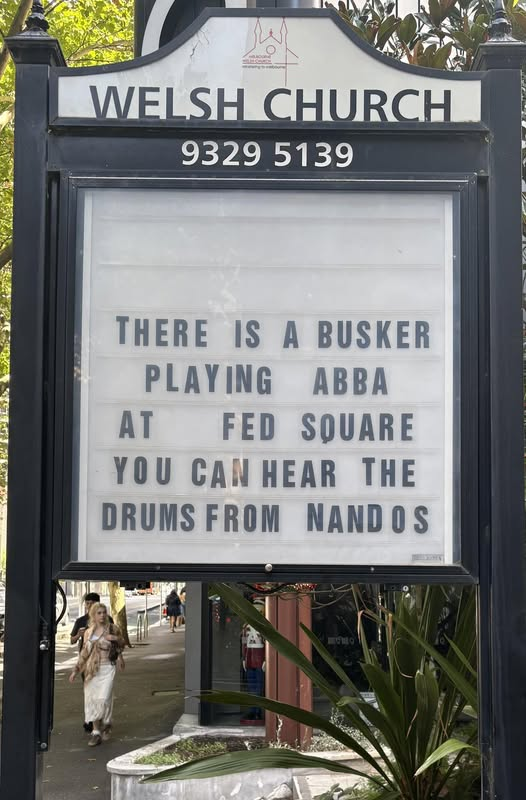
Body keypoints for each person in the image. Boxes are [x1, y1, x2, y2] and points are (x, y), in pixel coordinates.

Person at [69, 603, 125, 747]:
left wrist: (115, 640)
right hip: (92, 670)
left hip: (108, 668)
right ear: (93, 615)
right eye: (99, 613)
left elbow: (121, 644)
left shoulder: (113, 628)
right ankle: (96, 732)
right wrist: (76, 670)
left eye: (104, 612)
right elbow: (84, 653)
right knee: (92, 700)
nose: (102, 615)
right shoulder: (89, 632)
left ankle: (106, 722)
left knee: (104, 699)